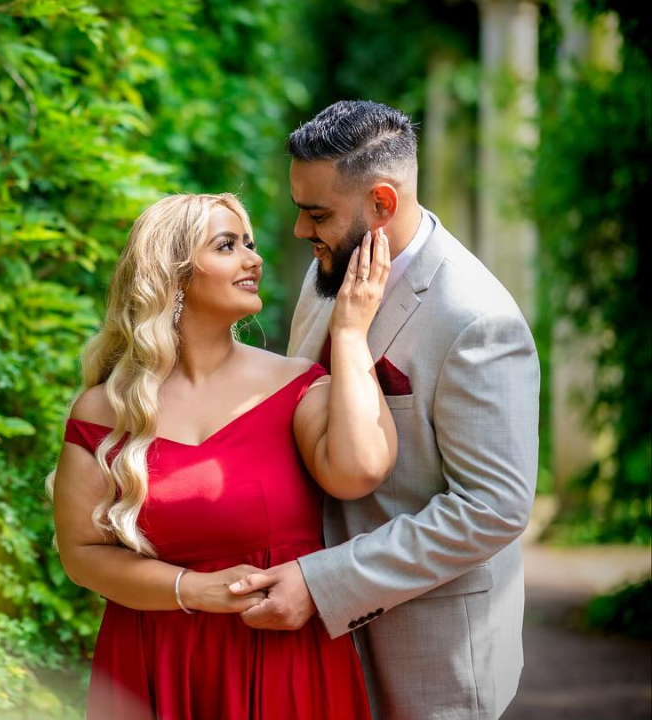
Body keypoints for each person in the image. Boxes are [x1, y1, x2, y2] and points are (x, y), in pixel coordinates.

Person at [229, 100, 539, 720]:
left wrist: (325, 584)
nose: (298, 232)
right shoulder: (327, 284)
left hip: (430, 656)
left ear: (383, 204)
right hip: (311, 650)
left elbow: (494, 508)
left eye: (316, 214)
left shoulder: (477, 319)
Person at [49, 191, 396, 719]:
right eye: (228, 245)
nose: (254, 259)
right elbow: (82, 555)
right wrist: (193, 590)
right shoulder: (106, 409)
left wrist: (349, 334)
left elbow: (359, 470)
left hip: (285, 663)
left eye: (250, 244)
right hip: (154, 666)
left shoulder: (297, 385)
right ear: (175, 274)